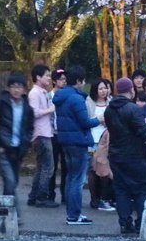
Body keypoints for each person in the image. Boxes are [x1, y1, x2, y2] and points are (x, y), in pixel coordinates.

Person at [106, 77, 146, 234]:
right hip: (133, 155)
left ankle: (125, 224)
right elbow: (143, 133)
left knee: (121, 190)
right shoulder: (133, 109)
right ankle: (141, 222)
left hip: (115, 155)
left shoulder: (109, 109)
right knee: (142, 188)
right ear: (131, 90)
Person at [53, 65, 102, 225]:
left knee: (70, 177)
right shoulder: (77, 99)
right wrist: (100, 120)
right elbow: (85, 122)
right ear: (79, 81)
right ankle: (74, 215)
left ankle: (71, 213)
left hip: (65, 140)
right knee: (77, 179)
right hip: (79, 142)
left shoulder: (60, 96)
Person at [0, 73, 34, 202]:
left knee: (13, 183)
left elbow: (30, 127)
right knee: (10, 182)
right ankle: (14, 215)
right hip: (3, 149)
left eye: (19, 86)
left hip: (18, 150)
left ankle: (7, 216)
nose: (16, 90)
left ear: (24, 89)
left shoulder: (27, 106)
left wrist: (26, 142)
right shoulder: (0, 104)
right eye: (13, 86)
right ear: (8, 88)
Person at [27, 64, 59, 208]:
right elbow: (34, 113)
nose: (49, 77)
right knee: (48, 167)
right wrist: (50, 109)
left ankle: (33, 196)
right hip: (41, 133)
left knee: (41, 167)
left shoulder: (42, 92)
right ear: (38, 77)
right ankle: (41, 197)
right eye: (46, 75)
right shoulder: (34, 93)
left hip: (45, 132)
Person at [86, 78, 115, 211]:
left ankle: (105, 197)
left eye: (106, 88)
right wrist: (98, 120)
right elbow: (85, 120)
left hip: (107, 141)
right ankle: (94, 198)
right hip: (93, 140)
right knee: (93, 169)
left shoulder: (111, 102)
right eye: (101, 88)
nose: (104, 91)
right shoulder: (89, 102)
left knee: (104, 169)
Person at [47, 68, 67, 204]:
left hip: (65, 134)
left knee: (66, 165)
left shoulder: (67, 95)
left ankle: (65, 194)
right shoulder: (48, 96)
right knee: (52, 165)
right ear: (54, 81)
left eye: (65, 79)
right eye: (61, 79)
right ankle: (50, 194)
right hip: (52, 133)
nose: (64, 82)